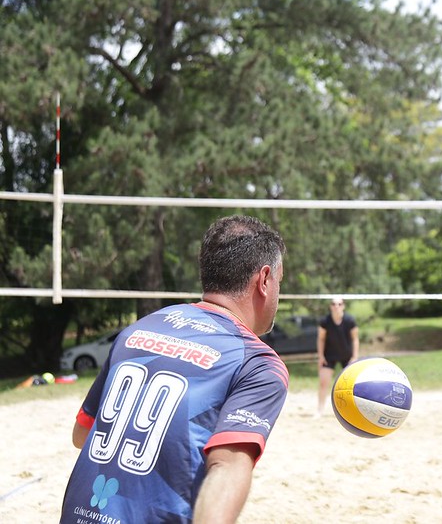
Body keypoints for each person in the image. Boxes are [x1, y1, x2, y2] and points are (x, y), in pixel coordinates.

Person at [61, 215, 289, 523]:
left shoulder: (139, 329)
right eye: (279, 281)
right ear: (264, 280)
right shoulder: (258, 362)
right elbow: (228, 466)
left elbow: (82, 433)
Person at [316, 297, 359, 416]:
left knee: (351, 385)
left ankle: (353, 411)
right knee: (323, 382)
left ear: (343, 306)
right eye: (334, 304)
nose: (336, 306)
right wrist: (320, 356)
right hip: (329, 355)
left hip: (347, 355)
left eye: (339, 304)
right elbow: (321, 339)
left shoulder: (350, 320)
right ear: (330, 306)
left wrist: (354, 357)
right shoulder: (325, 321)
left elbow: (355, 339)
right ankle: (320, 410)